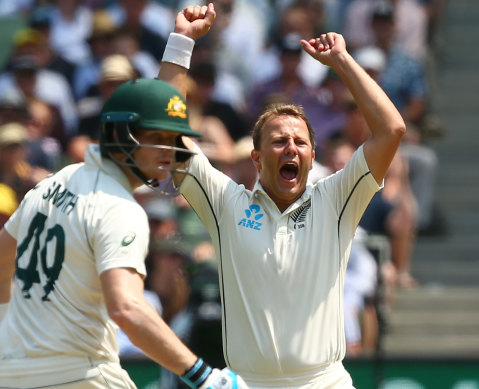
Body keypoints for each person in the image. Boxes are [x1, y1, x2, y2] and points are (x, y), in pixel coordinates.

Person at [0, 4, 246, 389]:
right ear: (121, 136)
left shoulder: (53, 181)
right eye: (158, 139)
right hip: (80, 377)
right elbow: (127, 307)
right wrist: (204, 376)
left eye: (172, 139)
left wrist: (181, 43)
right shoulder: (119, 209)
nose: (171, 150)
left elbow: (1, 260)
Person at [158, 8, 406, 388]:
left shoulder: (336, 199)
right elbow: (167, 134)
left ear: (311, 156)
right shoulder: (227, 203)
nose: (291, 147)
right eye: (278, 141)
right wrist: (181, 41)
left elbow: (391, 129)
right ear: (256, 158)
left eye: (300, 142)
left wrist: (342, 61)